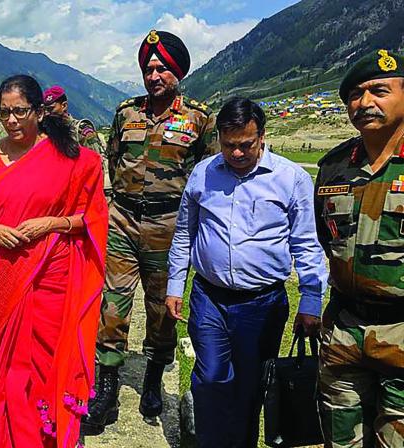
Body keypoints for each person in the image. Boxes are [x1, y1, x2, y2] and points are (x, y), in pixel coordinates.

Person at [0, 75, 109, 448]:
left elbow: (92, 218)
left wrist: (51, 222)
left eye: (20, 112)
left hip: (50, 275)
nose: (12, 121)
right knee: (3, 364)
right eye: (5, 112)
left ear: (39, 112)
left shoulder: (72, 159)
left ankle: (45, 432)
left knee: (44, 359)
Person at [164, 97, 327, 447]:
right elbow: (184, 233)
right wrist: (175, 283)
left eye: (245, 145)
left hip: (262, 304)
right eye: (228, 146)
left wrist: (311, 299)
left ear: (262, 136)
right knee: (209, 379)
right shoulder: (203, 173)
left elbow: (306, 242)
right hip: (210, 297)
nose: (236, 154)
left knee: (250, 387)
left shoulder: (291, 178)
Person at [84, 29, 218, 434]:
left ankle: (153, 378)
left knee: (161, 310)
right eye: (148, 68)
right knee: (112, 304)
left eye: (161, 68)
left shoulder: (199, 116)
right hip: (123, 219)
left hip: (170, 225)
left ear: (177, 71)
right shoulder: (126, 112)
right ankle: (106, 390)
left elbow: (209, 174)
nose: (154, 74)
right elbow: (113, 158)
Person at [316, 49, 404, 448]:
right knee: (341, 440)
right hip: (344, 331)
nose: (365, 103)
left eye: (379, 91)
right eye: (354, 94)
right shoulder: (335, 168)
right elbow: (326, 237)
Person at [43, 85, 111, 197]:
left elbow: (98, 162)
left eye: (51, 109)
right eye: (45, 110)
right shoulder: (48, 132)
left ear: (64, 106)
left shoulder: (81, 129)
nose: (47, 114)